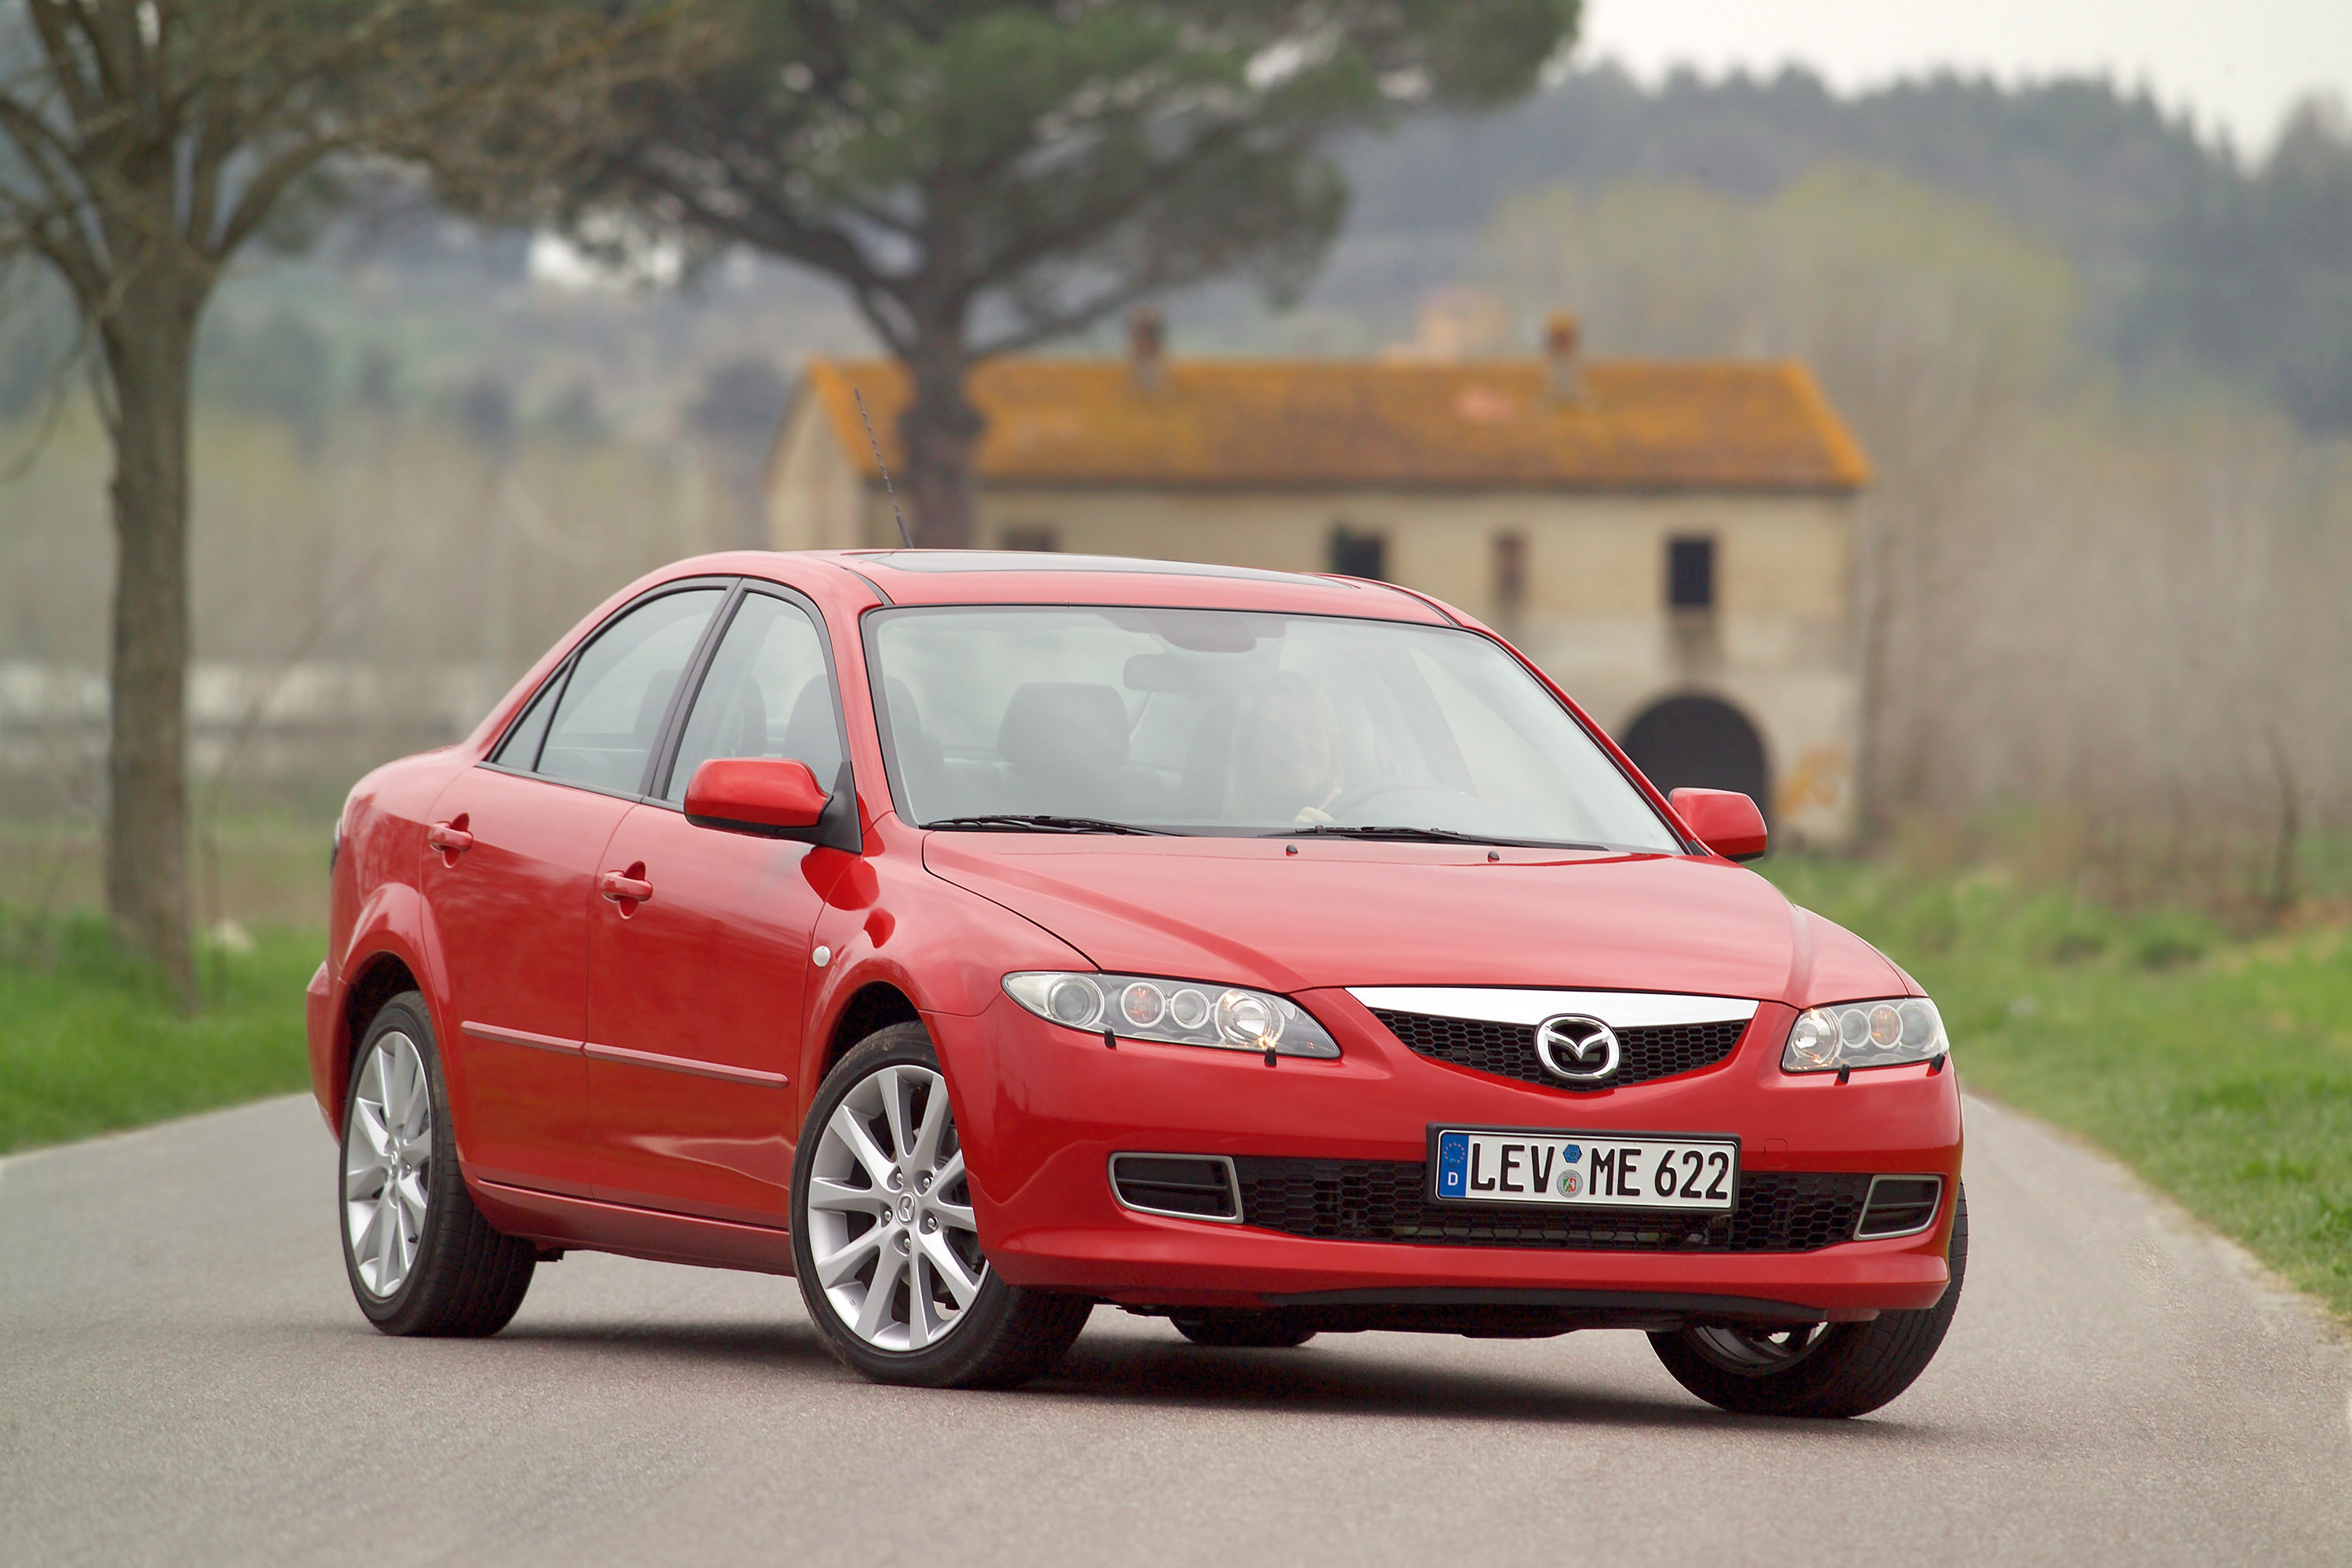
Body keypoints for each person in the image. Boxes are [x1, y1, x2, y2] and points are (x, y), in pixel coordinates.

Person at [1226, 671, 1345, 826]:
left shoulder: (1369, 824)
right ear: (1248, 752)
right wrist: (1300, 838)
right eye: (1279, 733)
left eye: (1312, 730)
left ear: (1331, 743)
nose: (1300, 746)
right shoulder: (1225, 839)